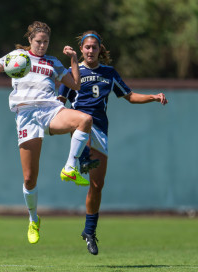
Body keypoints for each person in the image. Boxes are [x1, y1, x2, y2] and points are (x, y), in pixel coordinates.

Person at [0, 21, 93, 244]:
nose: (42, 46)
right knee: (29, 178)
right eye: (38, 41)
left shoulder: (53, 62)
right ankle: (33, 219)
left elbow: (76, 85)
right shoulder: (17, 57)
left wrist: (74, 60)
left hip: (50, 109)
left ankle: (70, 167)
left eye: (46, 42)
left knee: (85, 119)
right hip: (27, 116)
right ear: (30, 40)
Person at [58, 30, 168, 255]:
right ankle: (80, 160)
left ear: (100, 50)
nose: (90, 50)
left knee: (97, 186)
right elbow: (59, 101)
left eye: (94, 47)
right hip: (79, 124)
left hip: (101, 130)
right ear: (81, 50)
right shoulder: (72, 72)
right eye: (87, 47)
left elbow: (129, 96)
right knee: (82, 123)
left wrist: (153, 97)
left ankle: (89, 232)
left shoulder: (109, 73)